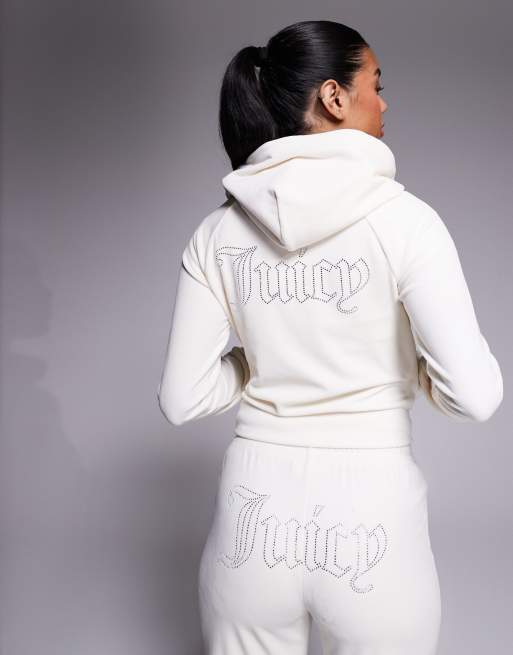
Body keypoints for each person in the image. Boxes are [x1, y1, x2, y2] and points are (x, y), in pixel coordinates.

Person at [157, 19, 503, 655]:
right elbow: (475, 396)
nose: (385, 103)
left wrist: (252, 366)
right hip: (373, 525)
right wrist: (409, 367)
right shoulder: (408, 223)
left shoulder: (216, 233)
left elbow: (181, 399)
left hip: (251, 524)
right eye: (376, 84)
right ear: (334, 97)